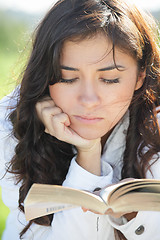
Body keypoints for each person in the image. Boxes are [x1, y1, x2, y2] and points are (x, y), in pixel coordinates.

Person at [0, 0, 160, 239]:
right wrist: (88, 155)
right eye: (67, 78)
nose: (88, 100)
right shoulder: (13, 122)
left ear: (139, 77)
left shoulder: (155, 126)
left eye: (109, 79)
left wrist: (136, 218)